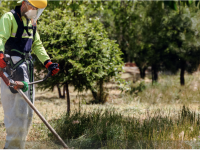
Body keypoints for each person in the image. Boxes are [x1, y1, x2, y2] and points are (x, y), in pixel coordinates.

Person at [0, 0, 59, 148]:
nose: (35, 13)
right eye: (35, 8)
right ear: (25, 3)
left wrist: (48, 63)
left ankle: (19, 147)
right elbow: (0, 37)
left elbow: (36, 44)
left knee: (27, 115)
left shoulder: (32, 22)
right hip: (10, 69)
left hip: (26, 69)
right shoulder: (9, 18)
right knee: (15, 116)